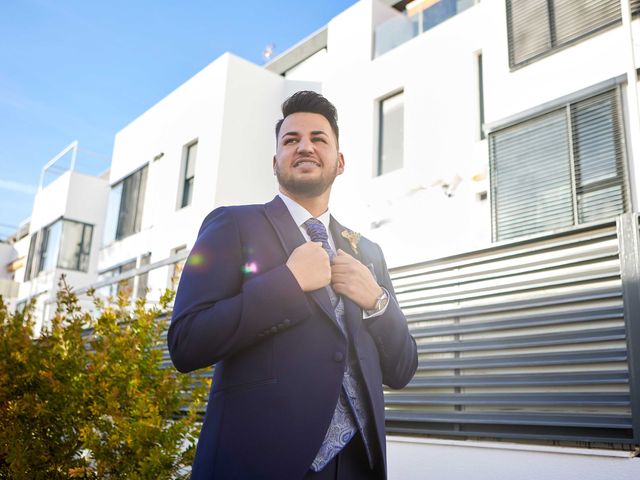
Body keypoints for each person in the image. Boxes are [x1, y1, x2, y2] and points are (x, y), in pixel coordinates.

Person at [168, 90, 418, 479]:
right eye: (291, 140)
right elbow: (186, 342)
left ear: (340, 162)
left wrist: (377, 301)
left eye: (319, 138)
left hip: (356, 466)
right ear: (275, 161)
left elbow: (402, 369)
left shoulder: (368, 252)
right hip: (259, 464)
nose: (305, 147)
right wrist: (287, 282)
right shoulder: (232, 225)